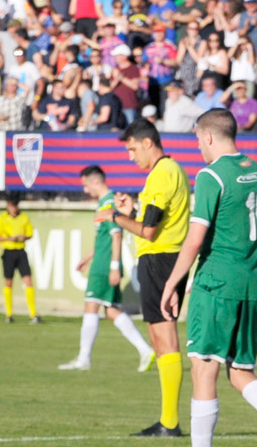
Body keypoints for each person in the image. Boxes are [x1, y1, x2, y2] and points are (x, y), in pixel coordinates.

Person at [159, 109, 257, 447]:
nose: (199, 146)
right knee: (240, 372)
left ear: (210, 137)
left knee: (204, 368)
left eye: (199, 139)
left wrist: (172, 283)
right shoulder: (255, 169)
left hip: (216, 283)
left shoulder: (210, 176)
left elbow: (195, 238)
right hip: (251, 284)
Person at [113, 119, 190, 437]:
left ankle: (170, 422)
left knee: (165, 337)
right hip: (160, 259)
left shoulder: (161, 173)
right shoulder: (166, 173)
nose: (131, 157)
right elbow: (148, 223)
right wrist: (132, 211)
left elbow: (149, 230)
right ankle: (167, 420)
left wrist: (115, 217)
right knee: (160, 339)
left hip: (162, 260)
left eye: (132, 149)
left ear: (148, 143)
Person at [58, 166, 154, 371]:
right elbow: (104, 237)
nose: (85, 191)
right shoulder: (104, 202)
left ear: (95, 182)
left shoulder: (109, 203)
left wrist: (113, 267)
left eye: (85, 186)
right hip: (101, 261)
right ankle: (145, 350)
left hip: (104, 266)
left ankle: (84, 359)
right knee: (111, 311)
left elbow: (116, 234)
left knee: (91, 306)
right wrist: (88, 256)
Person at [0, 194, 40, 324]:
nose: (12, 208)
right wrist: (9, 239)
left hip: (21, 252)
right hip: (9, 252)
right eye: (10, 206)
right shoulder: (2, 218)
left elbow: (30, 234)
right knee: (9, 282)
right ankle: (9, 314)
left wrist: (24, 237)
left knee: (28, 281)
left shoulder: (24, 218)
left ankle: (33, 314)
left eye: (14, 206)